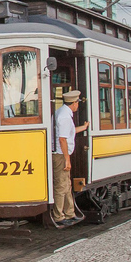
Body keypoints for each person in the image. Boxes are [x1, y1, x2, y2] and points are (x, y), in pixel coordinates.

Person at [53, 90, 90, 226]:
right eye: (77, 103)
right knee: (61, 186)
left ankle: (70, 213)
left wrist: (84, 127)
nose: (78, 105)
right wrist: (67, 159)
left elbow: (70, 131)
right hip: (60, 155)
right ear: (74, 103)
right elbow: (62, 139)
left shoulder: (63, 113)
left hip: (62, 154)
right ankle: (59, 216)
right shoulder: (64, 117)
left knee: (67, 185)